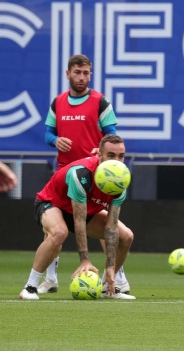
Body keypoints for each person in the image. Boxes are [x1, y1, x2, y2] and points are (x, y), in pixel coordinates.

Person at [40, 53, 125, 296]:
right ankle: (51, 278)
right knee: (54, 230)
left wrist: (102, 149)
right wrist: (56, 140)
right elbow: (47, 134)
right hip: (66, 174)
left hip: (96, 176)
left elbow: (111, 133)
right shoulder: (58, 102)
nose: (82, 77)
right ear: (68, 74)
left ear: (91, 74)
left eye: (86, 72)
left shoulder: (100, 102)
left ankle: (117, 278)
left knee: (105, 224)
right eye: (77, 72)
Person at [20, 134, 135, 300]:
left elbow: (111, 227)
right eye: (111, 155)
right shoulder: (82, 174)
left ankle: (107, 288)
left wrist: (111, 266)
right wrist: (85, 260)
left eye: (121, 156)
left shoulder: (120, 182)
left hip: (86, 211)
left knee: (126, 236)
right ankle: (30, 287)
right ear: (99, 155)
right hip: (52, 204)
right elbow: (78, 220)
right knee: (60, 232)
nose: (116, 160)